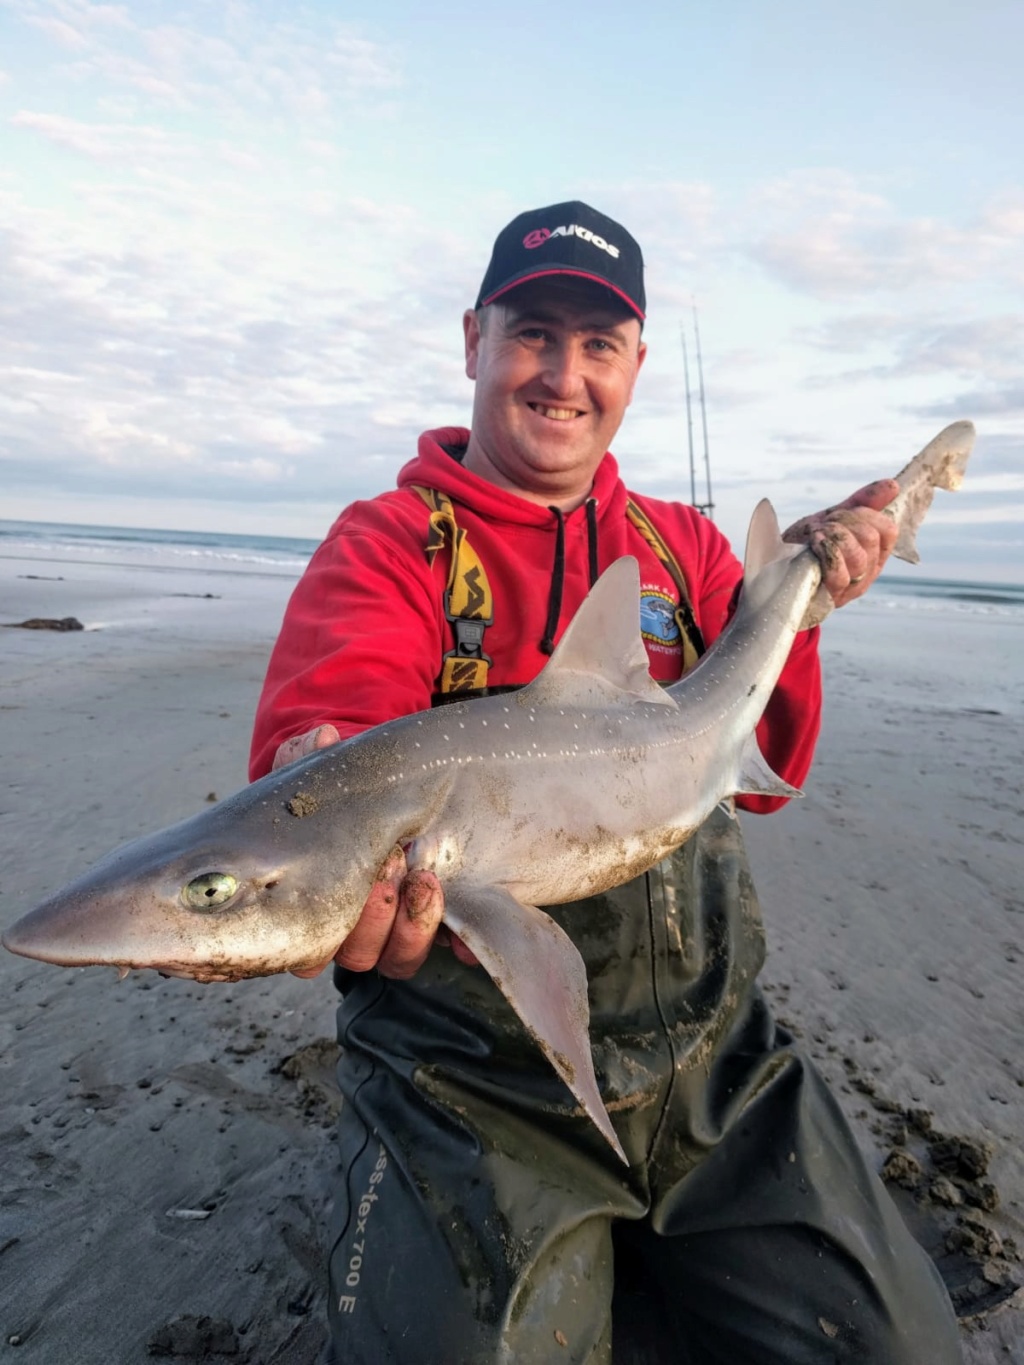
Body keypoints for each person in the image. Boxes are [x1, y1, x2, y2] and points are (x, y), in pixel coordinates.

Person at [250, 203, 962, 1364]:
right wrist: (311, 766)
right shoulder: (391, 546)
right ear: (473, 338)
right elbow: (326, 730)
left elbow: (762, 782)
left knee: (894, 1349)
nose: (562, 375)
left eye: (598, 345)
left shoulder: (684, 553)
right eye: (534, 333)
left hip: (709, 1061)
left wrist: (803, 606)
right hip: (473, 1080)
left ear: (632, 364)